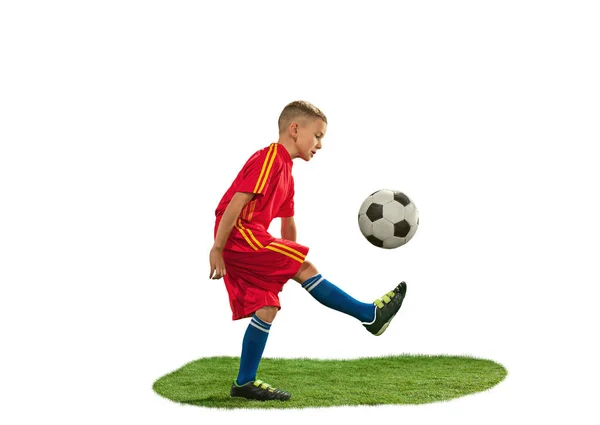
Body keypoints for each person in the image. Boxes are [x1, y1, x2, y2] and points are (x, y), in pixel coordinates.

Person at [209, 100, 407, 401]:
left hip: (246, 238)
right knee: (305, 268)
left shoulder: (287, 173)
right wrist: (217, 248)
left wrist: (285, 267)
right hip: (239, 234)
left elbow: (288, 227)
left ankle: (244, 383)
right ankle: (370, 316)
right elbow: (237, 202)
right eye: (317, 136)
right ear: (294, 129)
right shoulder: (270, 159)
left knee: (268, 307)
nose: (320, 144)